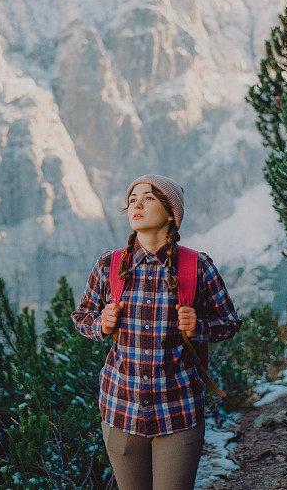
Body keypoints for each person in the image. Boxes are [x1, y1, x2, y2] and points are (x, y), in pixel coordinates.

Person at [71, 174, 243, 490]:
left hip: (179, 410)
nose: (136, 204)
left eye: (149, 198)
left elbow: (229, 323)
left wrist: (199, 326)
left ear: (170, 214)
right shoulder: (108, 265)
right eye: (133, 198)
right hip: (120, 408)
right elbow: (82, 316)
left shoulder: (197, 266)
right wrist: (101, 324)